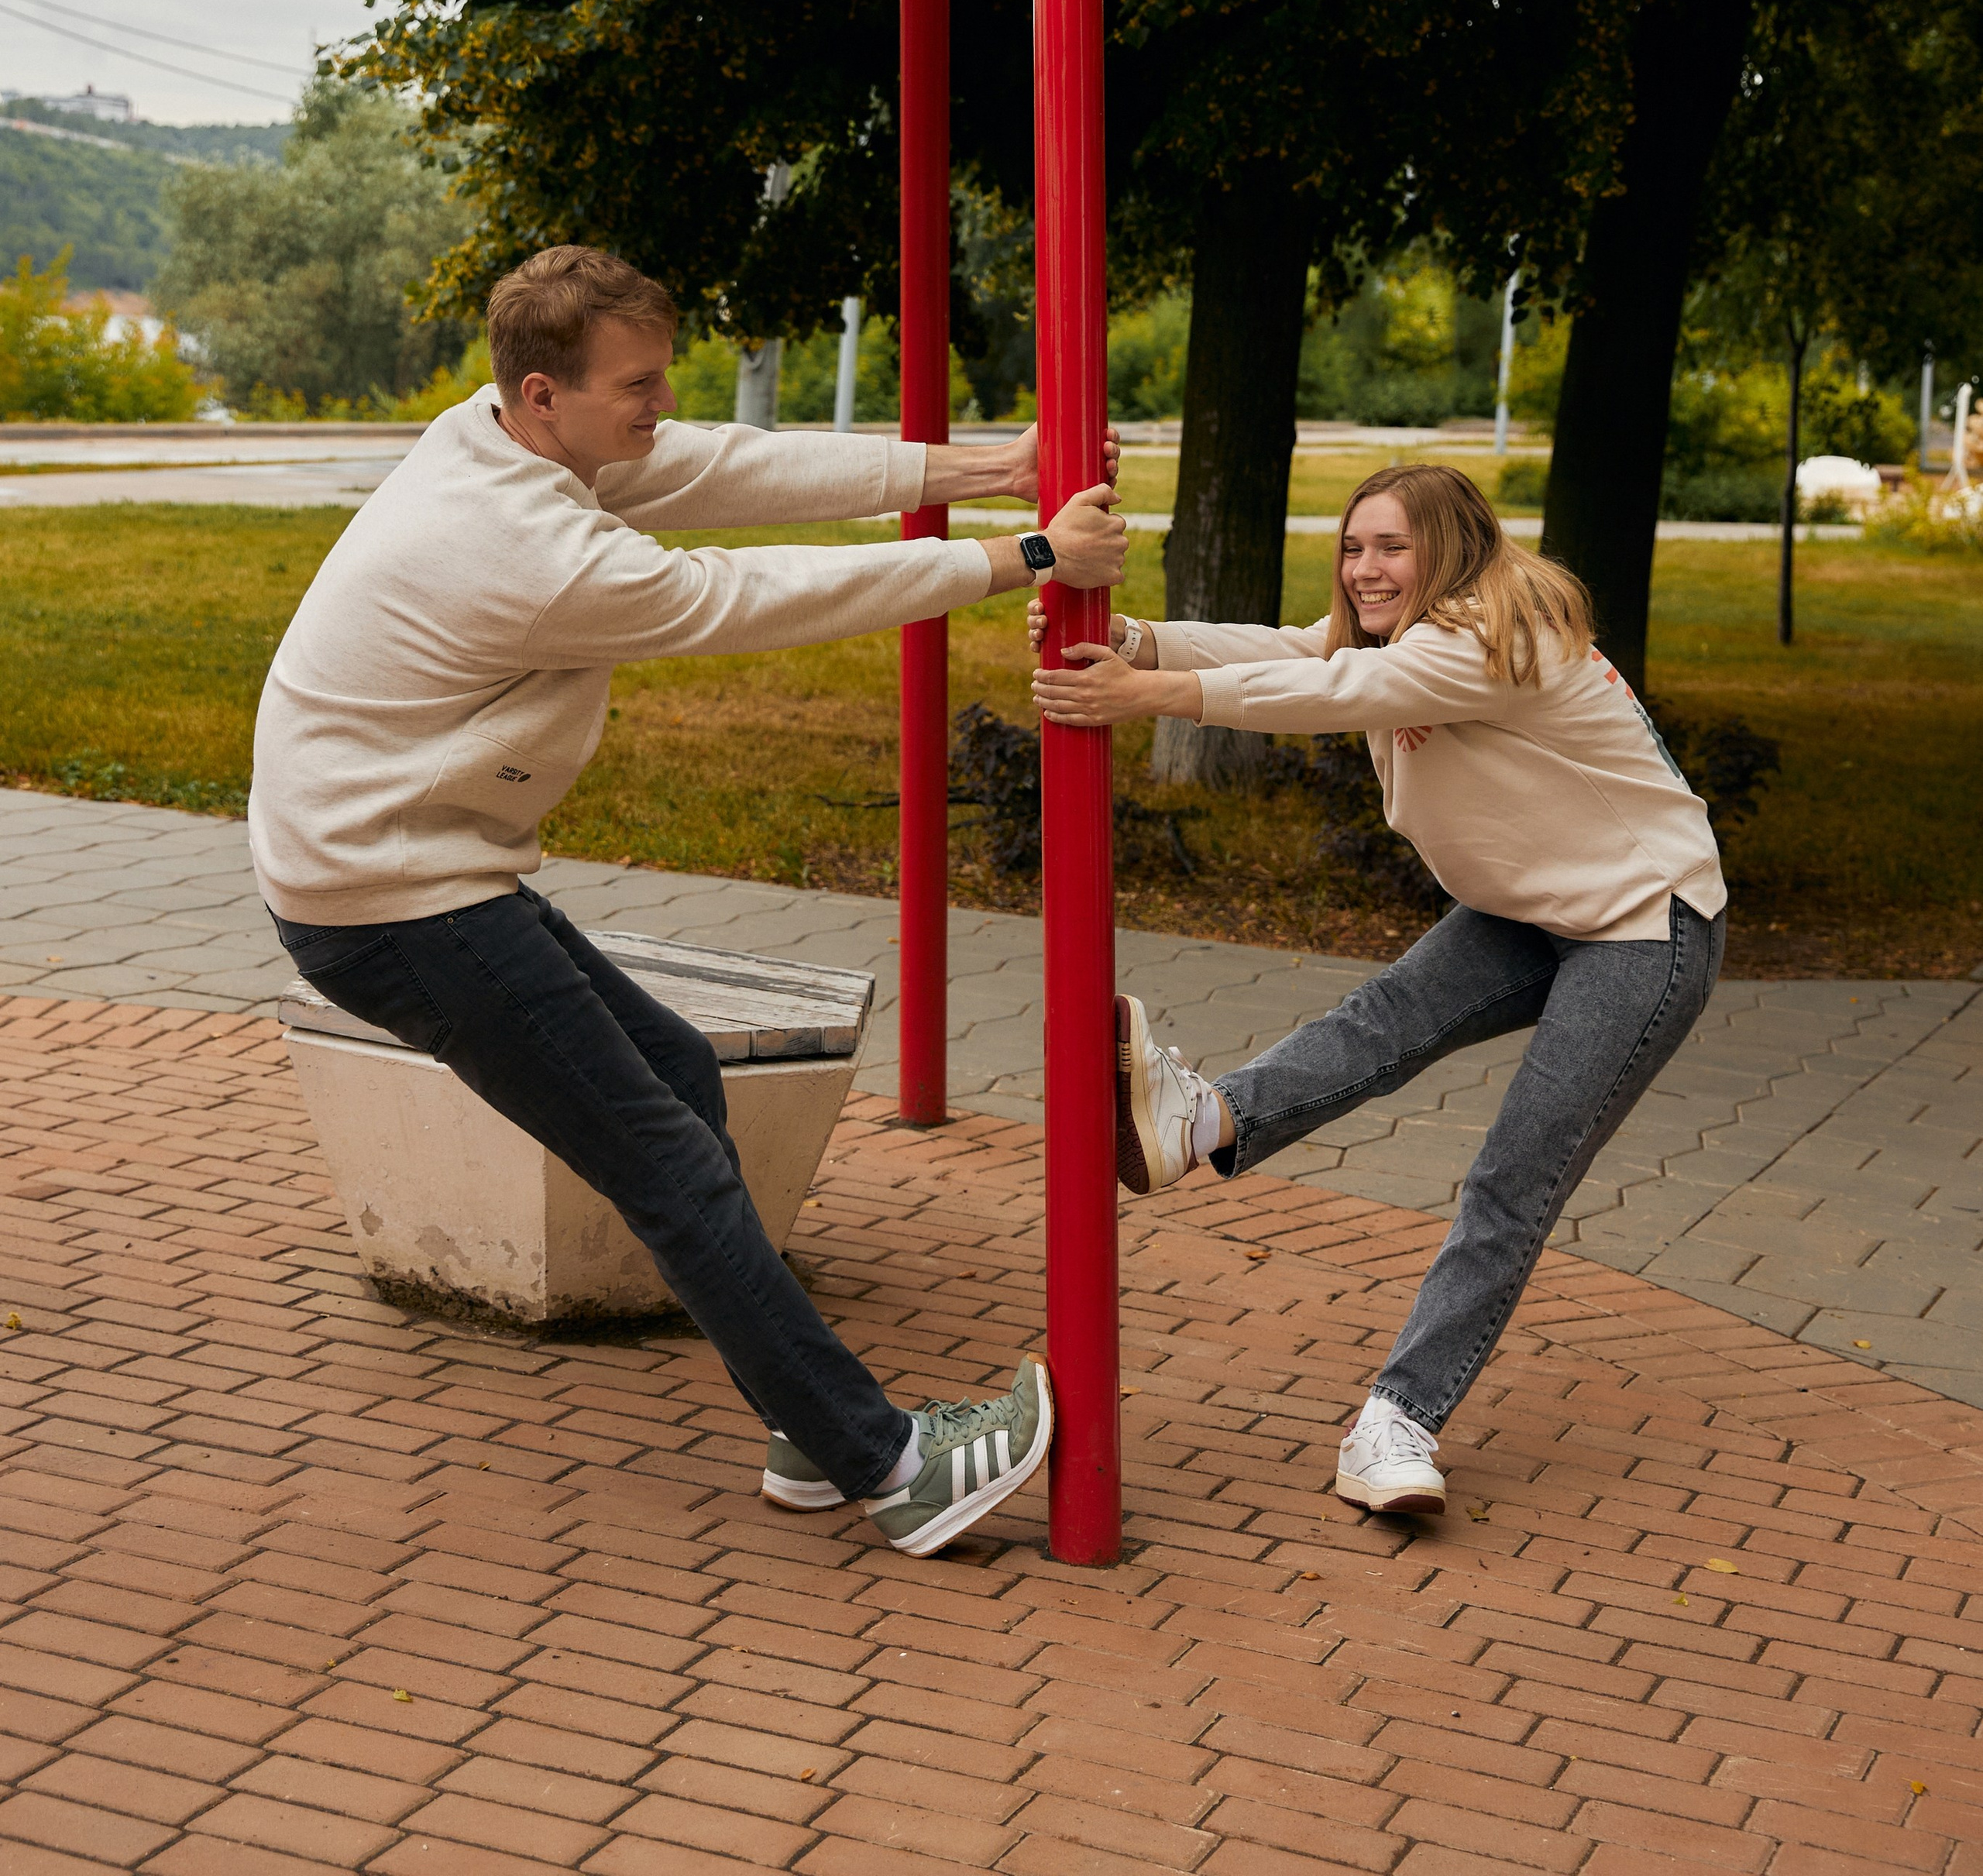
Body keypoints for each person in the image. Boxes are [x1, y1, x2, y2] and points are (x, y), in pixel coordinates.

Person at [257, 243, 1127, 1558]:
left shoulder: (500, 437)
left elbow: (732, 465)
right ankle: (892, 1467)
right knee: (663, 1163)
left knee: (673, 1073)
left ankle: (808, 1429)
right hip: (396, 899)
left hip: (406, 863)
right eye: (638, 390)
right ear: (545, 393)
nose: (660, 410)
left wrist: (981, 469)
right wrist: (1020, 556)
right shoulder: (519, 542)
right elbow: (745, 596)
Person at [1029, 459, 1725, 1518]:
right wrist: (1142, 641)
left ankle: (1398, 1419)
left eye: (1390, 547)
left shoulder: (1497, 639)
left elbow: (1333, 692)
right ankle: (1201, 1120)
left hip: (1642, 925)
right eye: (1354, 547)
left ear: (1447, 549)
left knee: (1512, 1179)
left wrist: (1149, 697)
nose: (1364, 569)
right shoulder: (1410, 634)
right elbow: (1300, 650)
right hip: (1531, 903)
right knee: (1382, 1023)